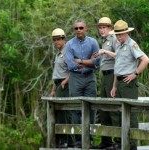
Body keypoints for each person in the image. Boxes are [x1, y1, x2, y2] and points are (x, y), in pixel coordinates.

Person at [110, 20, 149, 150]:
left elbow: (145, 60)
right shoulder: (119, 45)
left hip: (128, 83)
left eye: (121, 34)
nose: (119, 37)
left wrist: (135, 74)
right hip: (119, 82)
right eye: (117, 35)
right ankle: (123, 143)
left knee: (130, 114)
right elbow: (118, 67)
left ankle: (132, 145)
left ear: (127, 33)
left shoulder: (132, 44)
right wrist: (114, 86)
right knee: (120, 114)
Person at [64, 19, 100, 148]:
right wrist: (88, 61)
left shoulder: (93, 42)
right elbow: (70, 64)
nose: (78, 30)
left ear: (86, 29)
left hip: (90, 78)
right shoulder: (69, 44)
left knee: (91, 107)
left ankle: (89, 139)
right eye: (76, 28)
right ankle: (79, 140)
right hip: (75, 78)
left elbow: (97, 62)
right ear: (74, 30)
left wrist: (80, 61)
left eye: (81, 28)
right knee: (75, 108)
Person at [96, 17, 116, 149]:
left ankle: (120, 141)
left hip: (112, 75)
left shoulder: (114, 38)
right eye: (100, 27)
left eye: (104, 27)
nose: (102, 30)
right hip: (104, 76)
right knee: (103, 109)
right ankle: (106, 141)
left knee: (114, 109)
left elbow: (119, 55)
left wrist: (105, 51)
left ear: (110, 28)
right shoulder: (104, 40)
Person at [50, 28, 69, 148]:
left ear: (63, 39)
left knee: (64, 113)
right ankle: (59, 140)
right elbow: (56, 73)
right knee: (57, 113)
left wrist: (65, 81)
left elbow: (73, 69)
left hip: (64, 84)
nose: (56, 42)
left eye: (58, 39)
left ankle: (66, 140)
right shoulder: (58, 53)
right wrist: (53, 89)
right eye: (54, 40)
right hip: (57, 84)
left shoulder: (68, 52)